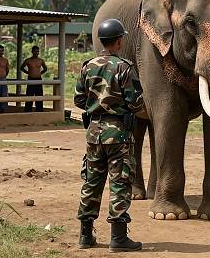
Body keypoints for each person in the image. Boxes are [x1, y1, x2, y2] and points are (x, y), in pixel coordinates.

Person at [74, 18, 144, 251]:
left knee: (91, 182)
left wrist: (95, 107)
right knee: (120, 183)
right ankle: (118, 237)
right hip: (119, 135)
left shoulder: (87, 66)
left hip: (94, 134)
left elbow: (78, 99)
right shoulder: (124, 67)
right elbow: (135, 102)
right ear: (119, 41)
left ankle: (85, 236)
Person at [21, 46, 47, 112]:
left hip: (38, 79)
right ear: (32, 52)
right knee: (29, 95)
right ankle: (28, 110)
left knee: (39, 95)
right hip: (31, 79)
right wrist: (28, 72)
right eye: (35, 51)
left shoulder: (41, 60)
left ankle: (39, 110)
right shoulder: (28, 60)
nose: (36, 53)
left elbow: (45, 69)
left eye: (37, 51)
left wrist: (40, 73)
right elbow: (21, 67)